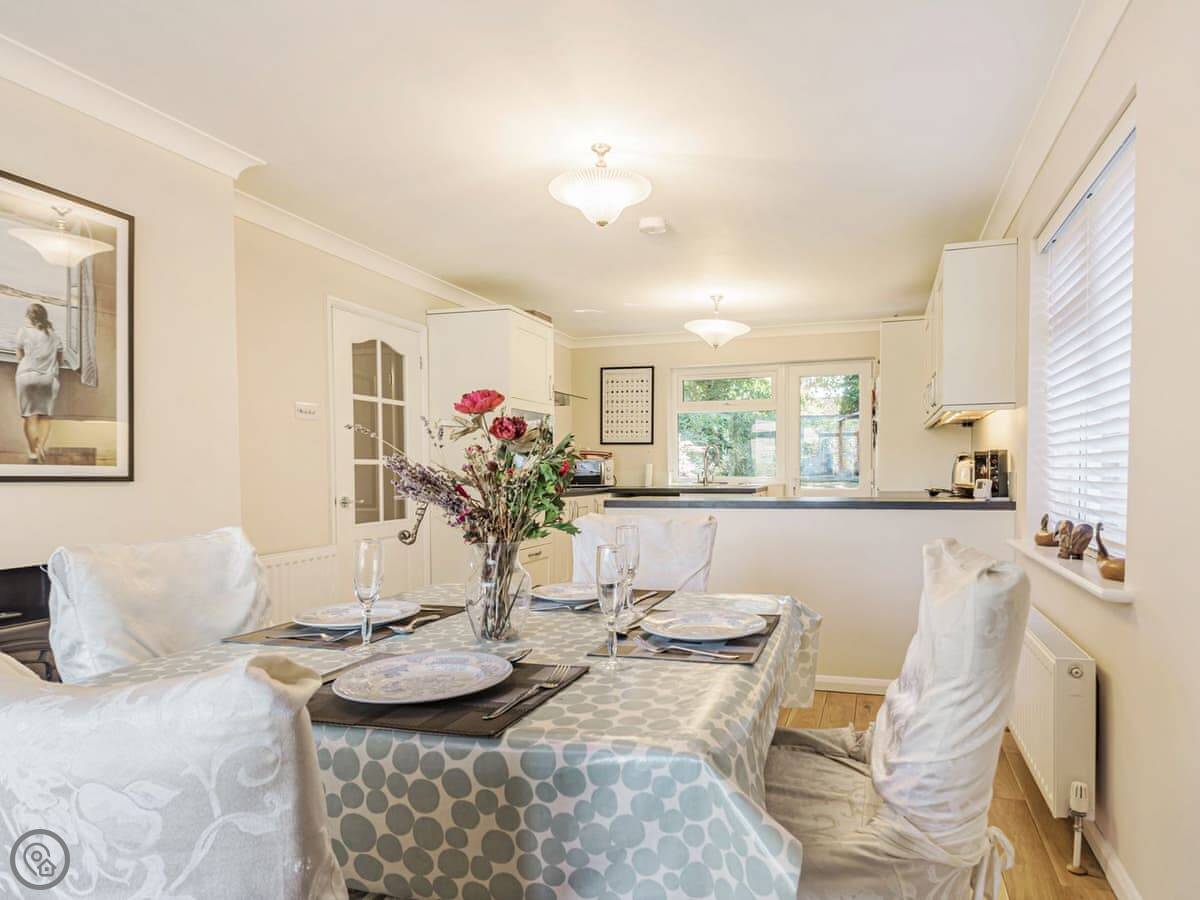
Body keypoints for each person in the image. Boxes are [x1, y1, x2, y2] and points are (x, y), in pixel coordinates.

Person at [14, 302, 63, 464]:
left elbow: (19, 356)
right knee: (45, 416)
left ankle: (33, 452)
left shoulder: (23, 332)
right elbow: (60, 360)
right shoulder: (55, 336)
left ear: (29, 317)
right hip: (48, 380)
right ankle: (41, 446)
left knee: (29, 417)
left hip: (26, 377)